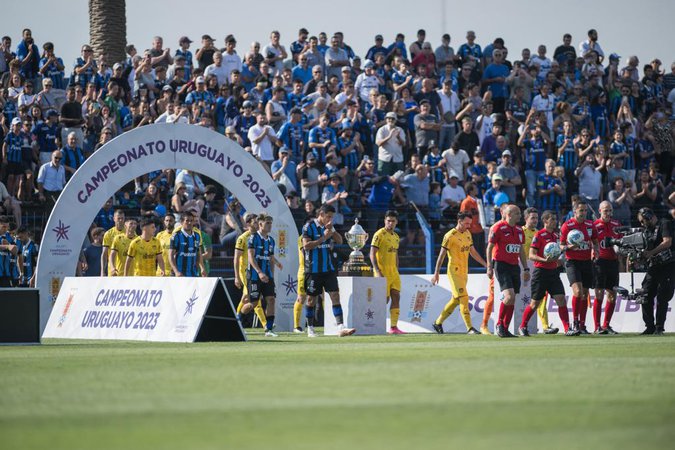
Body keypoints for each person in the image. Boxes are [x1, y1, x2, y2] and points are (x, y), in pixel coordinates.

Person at [302, 204, 355, 337]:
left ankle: (341, 327)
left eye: (332, 217)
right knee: (311, 299)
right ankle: (310, 328)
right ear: (321, 214)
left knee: (335, 296)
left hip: (328, 269)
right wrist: (324, 238)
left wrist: (333, 231)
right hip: (313, 270)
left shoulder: (329, 227)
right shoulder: (309, 226)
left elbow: (340, 240)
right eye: (329, 217)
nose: (330, 219)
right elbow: (306, 246)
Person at [523, 210, 579, 336]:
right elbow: (532, 255)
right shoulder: (539, 235)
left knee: (561, 300)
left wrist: (569, 248)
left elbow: (559, 249)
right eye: (552, 219)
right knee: (534, 304)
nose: (555, 222)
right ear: (545, 221)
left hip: (553, 272)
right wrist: (544, 260)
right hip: (540, 272)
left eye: (555, 219)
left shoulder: (555, 236)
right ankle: (523, 326)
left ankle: (567, 329)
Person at [431, 211, 487, 334]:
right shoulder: (450, 235)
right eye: (466, 223)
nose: (469, 226)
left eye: (470, 223)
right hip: (454, 271)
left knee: (456, 300)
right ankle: (469, 328)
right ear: (459, 221)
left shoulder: (467, 233)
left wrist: (485, 264)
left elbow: (472, 251)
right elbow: (441, 255)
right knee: (463, 297)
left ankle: (438, 323)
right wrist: (436, 273)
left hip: (464, 271)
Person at [486, 205, 530, 338]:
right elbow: (489, 248)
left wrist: (526, 268)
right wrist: (489, 266)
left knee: (512, 299)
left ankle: (505, 328)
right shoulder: (498, 227)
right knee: (509, 296)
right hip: (501, 265)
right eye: (517, 213)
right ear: (509, 215)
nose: (520, 216)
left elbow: (521, 250)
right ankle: (499, 324)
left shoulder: (519, 230)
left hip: (514, 266)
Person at [240, 214, 283, 337]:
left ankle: (268, 330)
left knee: (271, 300)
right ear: (260, 224)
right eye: (267, 223)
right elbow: (250, 257)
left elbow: (269, 257)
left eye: (270, 223)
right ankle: (238, 320)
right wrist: (259, 272)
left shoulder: (271, 241)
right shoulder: (253, 238)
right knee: (252, 303)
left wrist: (276, 264)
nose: (270, 226)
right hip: (254, 276)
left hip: (267, 276)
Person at [560, 201, 599, 334]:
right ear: (575, 211)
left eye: (585, 211)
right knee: (578, 292)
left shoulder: (590, 225)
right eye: (581, 211)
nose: (583, 213)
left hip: (587, 262)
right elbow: (560, 246)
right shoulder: (567, 226)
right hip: (572, 262)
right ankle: (575, 322)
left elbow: (595, 240)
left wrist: (596, 250)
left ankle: (582, 325)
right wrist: (569, 247)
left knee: (585, 294)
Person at [635, 208, 674, 335]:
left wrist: (651, 252)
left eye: (643, 221)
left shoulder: (664, 223)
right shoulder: (647, 231)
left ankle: (659, 327)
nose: (642, 224)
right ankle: (649, 326)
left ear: (649, 217)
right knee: (644, 294)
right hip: (653, 266)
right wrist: (638, 258)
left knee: (663, 296)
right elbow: (646, 250)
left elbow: (667, 242)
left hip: (668, 265)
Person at [521, 208, 557, 334]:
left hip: (538, 266)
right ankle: (516, 324)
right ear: (526, 219)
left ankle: (545, 326)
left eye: (536, 218)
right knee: (525, 299)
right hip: (523, 268)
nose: (535, 221)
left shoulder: (539, 233)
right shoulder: (521, 232)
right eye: (532, 218)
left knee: (541, 298)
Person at [370, 210, 404, 335]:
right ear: (385, 221)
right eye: (388, 220)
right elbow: (372, 253)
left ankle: (393, 327)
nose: (390, 223)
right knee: (382, 300)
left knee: (396, 296)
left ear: (396, 222)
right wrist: (377, 271)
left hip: (393, 272)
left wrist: (397, 269)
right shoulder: (379, 234)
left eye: (393, 221)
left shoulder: (396, 236)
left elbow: (395, 255)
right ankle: (373, 324)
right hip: (382, 272)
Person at [592, 201, 621, 334]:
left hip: (613, 262)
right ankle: (597, 326)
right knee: (599, 294)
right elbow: (590, 242)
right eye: (605, 211)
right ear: (599, 211)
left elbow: (622, 243)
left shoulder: (616, 225)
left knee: (612, 295)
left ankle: (606, 325)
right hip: (600, 262)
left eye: (610, 210)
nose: (608, 213)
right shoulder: (594, 225)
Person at [234, 213, 267, 328]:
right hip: (245, 273)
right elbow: (236, 259)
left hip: (256, 271)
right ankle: (266, 325)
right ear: (248, 224)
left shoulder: (260, 237)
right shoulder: (242, 238)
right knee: (254, 297)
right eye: (254, 222)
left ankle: (236, 320)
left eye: (258, 222)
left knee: (245, 298)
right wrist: (237, 276)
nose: (257, 224)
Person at [170, 213, 206, 278]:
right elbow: (170, 255)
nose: (189, 223)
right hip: (180, 275)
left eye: (191, 221)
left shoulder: (197, 236)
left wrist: (201, 268)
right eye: (187, 220)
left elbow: (198, 253)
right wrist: (176, 271)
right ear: (181, 222)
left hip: (193, 274)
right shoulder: (176, 236)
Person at [100, 209, 126, 276]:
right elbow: (104, 254)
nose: (120, 220)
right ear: (114, 219)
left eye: (122, 218)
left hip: (127, 271)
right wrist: (102, 271)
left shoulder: (129, 232)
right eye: (118, 218)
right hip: (113, 271)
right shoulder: (108, 234)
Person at [293, 234, 307, 333]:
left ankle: (329, 324)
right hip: (304, 272)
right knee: (301, 298)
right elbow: (305, 253)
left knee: (324, 296)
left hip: (317, 270)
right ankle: (296, 326)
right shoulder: (302, 237)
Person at [0, 216, 18, 287]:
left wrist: (8, 244)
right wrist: (7, 247)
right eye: (3, 227)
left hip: (6, 275)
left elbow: (15, 251)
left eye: (7, 227)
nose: (6, 229)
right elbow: (10, 248)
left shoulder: (8, 236)